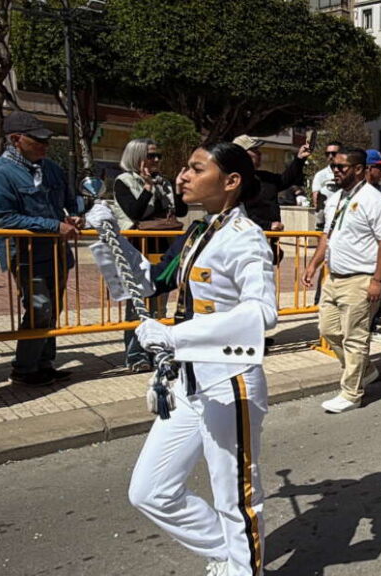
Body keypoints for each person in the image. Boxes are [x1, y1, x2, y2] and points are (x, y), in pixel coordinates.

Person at [85, 141, 277, 575]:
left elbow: (261, 313)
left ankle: (243, 569)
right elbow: (150, 282)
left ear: (231, 181)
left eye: (196, 168)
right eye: (185, 168)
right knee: (151, 490)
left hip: (229, 382)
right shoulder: (198, 233)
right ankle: (229, 555)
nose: (182, 176)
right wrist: (110, 238)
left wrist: (175, 335)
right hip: (188, 382)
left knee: (235, 497)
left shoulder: (245, 238)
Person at [301, 148, 381, 414]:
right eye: (334, 166)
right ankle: (366, 369)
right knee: (328, 330)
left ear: (358, 169)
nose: (336, 171)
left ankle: (351, 393)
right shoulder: (336, 199)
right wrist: (314, 264)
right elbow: (327, 235)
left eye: (341, 167)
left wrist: (377, 280)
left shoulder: (375, 200)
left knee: (355, 338)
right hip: (334, 277)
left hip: (360, 279)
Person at [0, 111, 81, 386]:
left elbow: (69, 202)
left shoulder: (52, 168)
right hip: (26, 255)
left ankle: (44, 363)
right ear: (16, 139)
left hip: (57, 252)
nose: (45, 145)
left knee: (52, 309)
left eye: (46, 140)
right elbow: (3, 218)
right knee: (39, 307)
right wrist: (53, 225)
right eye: (38, 140)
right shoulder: (1, 172)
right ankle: (24, 368)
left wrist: (74, 216)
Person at [111, 137, 189, 372]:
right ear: (136, 157)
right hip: (137, 248)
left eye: (158, 155)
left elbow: (180, 212)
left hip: (162, 248)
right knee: (138, 304)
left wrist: (177, 188)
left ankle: (157, 351)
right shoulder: (123, 181)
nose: (156, 160)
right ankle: (135, 355)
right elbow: (134, 213)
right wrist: (146, 188)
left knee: (160, 304)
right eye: (151, 155)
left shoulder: (163, 182)